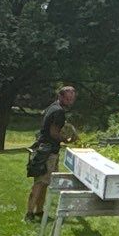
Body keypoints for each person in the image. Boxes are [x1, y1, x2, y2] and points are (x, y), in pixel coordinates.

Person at [24, 85, 78, 221]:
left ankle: (39, 212)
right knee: (40, 182)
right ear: (60, 97)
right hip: (47, 152)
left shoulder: (53, 107)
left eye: (72, 99)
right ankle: (29, 213)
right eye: (67, 99)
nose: (70, 102)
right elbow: (53, 133)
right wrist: (66, 139)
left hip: (46, 149)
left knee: (45, 182)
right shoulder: (58, 111)